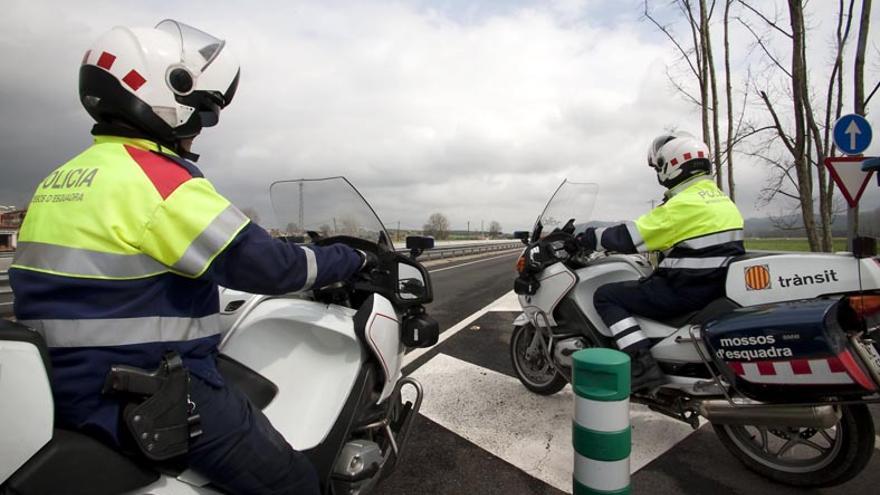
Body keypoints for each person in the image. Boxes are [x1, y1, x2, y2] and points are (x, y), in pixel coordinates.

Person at [9, 20, 369, 494]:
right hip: (144, 390)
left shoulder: (60, 180)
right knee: (293, 483)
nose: (199, 129)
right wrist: (351, 258)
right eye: (201, 111)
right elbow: (270, 266)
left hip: (55, 385)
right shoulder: (159, 181)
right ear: (167, 94)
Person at [574, 132, 745, 392]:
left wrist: (587, 238)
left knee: (607, 296)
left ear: (673, 164)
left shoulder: (684, 204)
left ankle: (642, 366)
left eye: (660, 166)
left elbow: (628, 237)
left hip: (685, 290)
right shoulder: (722, 201)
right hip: (714, 287)